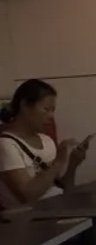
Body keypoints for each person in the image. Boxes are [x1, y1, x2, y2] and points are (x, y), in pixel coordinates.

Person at [0, 79, 91, 210]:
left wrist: (73, 164)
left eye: (53, 110)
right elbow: (28, 195)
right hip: (33, 217)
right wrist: (58, 163)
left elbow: (65, 188)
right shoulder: (6, 145)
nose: (51, 116)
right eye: (46, 109)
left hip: (59, 209)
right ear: (25, 105)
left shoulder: (46, 140)